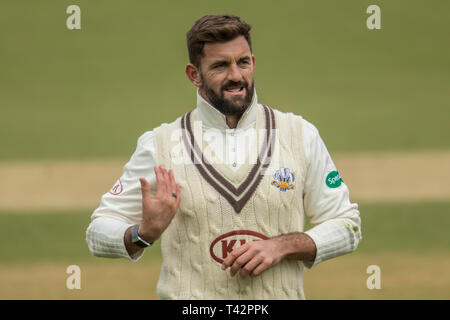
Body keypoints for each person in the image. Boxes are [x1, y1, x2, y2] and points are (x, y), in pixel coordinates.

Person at [86, 14, 362, 300]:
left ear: (253, 64)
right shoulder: (160, 145)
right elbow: (98, 232)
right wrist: (143, 233)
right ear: (194, 75)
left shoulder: (299, 135)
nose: (236, 75)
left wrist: (282, 246)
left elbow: (347, 225)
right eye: (220, 66)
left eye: (242, 62)